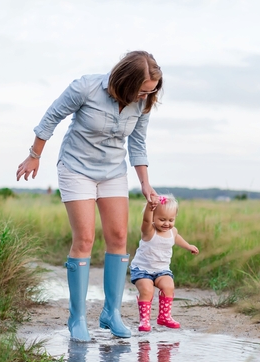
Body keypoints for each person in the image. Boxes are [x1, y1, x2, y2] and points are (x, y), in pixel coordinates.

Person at [16, 51, 162, 341]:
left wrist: (145, 183)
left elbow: (138, 143)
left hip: (113, 172)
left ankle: (111, 314)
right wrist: (34, 155)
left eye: (151, 91)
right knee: (84, 239)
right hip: (76, 169)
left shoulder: (142, 103)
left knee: (118, 237)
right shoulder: (85, 87)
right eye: (143, 90)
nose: (147, 95)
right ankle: (77, 318)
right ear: (126, 82)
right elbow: (51, 118)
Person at [130, 194, 199, 331]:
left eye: (171, 220)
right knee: (147, 290)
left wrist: (188, 246)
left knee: (169, 286)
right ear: (153, 218)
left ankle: (164, 316)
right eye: (162, 219)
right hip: (142, 269)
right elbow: (145, 221)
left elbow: (176, 238)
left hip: (162, 270)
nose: (167, 223)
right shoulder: (149, 231)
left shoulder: (172, 231)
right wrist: (150, 208)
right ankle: (144, 320)